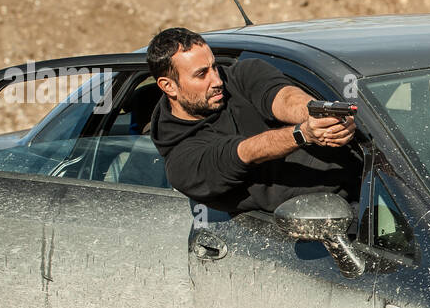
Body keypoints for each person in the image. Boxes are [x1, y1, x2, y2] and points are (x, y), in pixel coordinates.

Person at [147, 27, 359, 214]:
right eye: (202, 74)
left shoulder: (242, 74)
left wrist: (317, 113)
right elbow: (243, 152)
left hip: (366, 181)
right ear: (168, 86)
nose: (217, 80)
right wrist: (302, 134)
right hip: (313, 226)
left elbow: (282, 97)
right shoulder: (182, 163)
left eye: (214, 66)